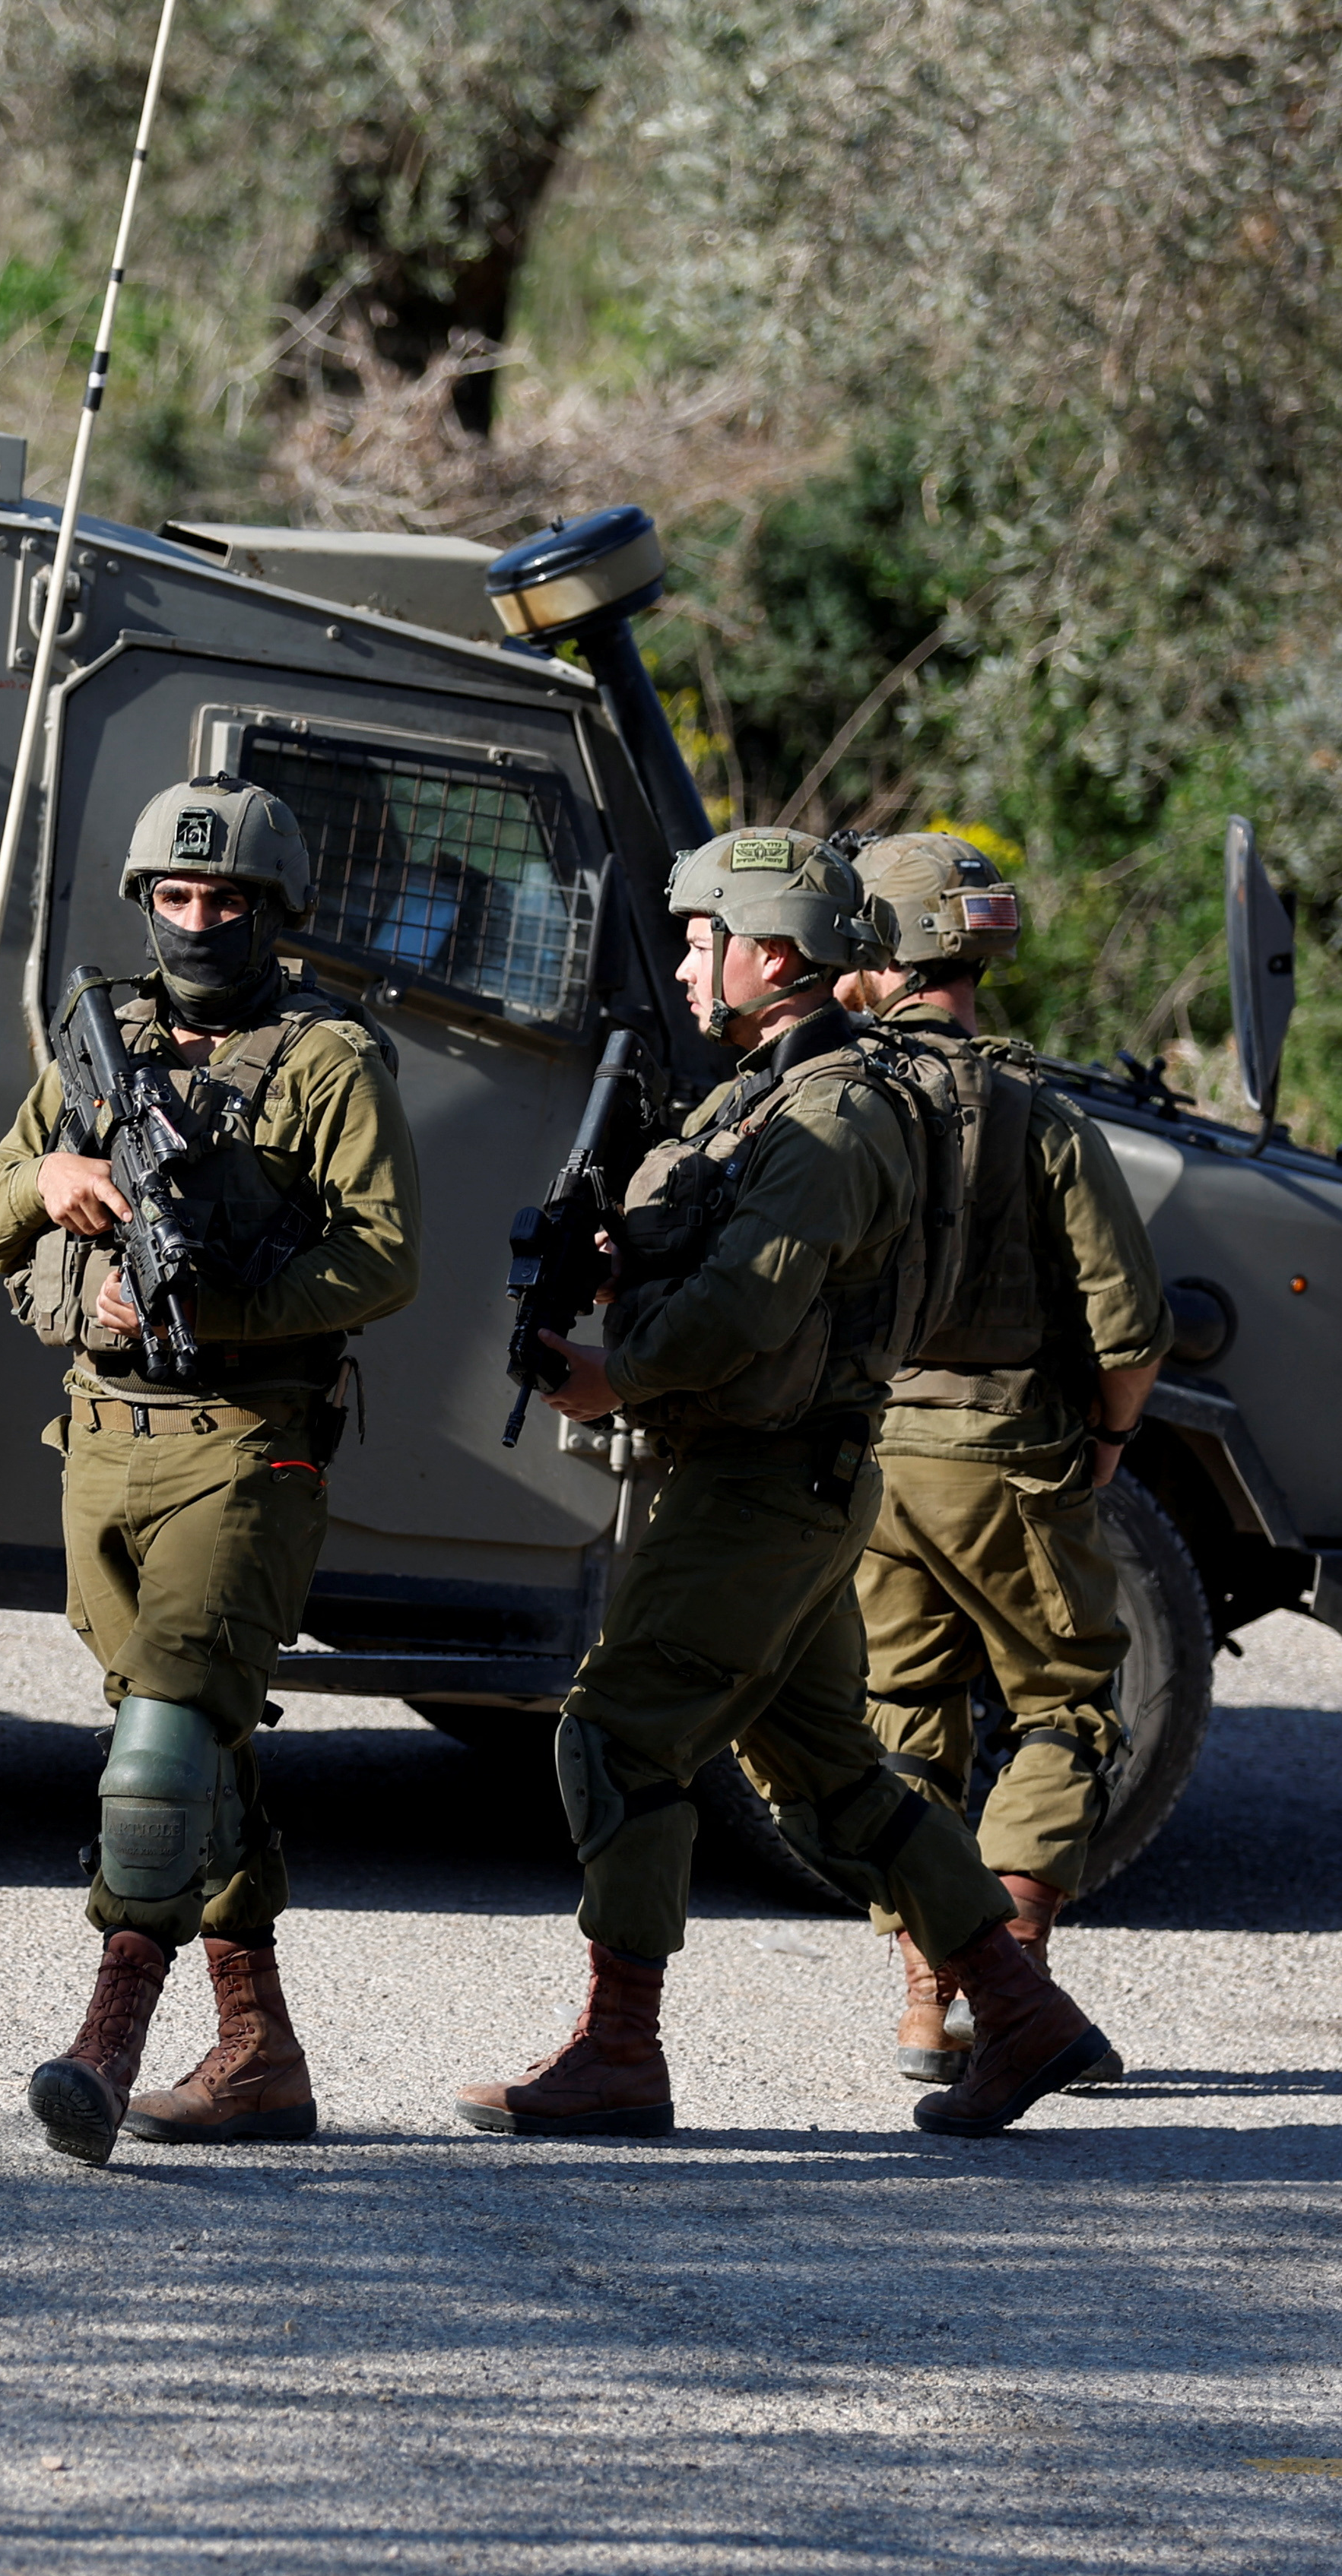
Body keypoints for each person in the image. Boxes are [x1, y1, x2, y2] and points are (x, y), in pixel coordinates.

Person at [454, 825, 1119, 2141]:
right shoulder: (771, 1088)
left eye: (709, 939)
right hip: (783, 1479)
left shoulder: (832, 1114)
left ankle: (619, 2051)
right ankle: (1021, 2009)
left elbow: (745, 1313)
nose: (694, 966)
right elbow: (705, 1254)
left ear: (774, 951)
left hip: (764, 1483)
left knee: (615, 1738)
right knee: (832, 1775)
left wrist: (614, 1373)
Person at [0, 773, 421, 2165]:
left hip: (244, 1446)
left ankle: (106, 2043)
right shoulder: (104, 1046)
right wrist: (55, 1194)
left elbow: (384, 1258)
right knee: (195, 1743)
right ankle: (259, 2055)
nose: (197, 920)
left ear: (273, 911)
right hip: (100, 1445)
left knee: (159, 1750)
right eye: (175, 895)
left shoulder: (327, 1058)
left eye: (225, 900)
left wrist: (207, 1303)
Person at [826, 835, 1169, 2083]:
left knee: (904, 1716)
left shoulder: (837, 1102)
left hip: (868, 1456)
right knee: (1068, 1702)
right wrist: (1112, 1440)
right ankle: (1010, 1986)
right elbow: (1130, 1327)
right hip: (1009, 1451)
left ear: (879, 950)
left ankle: (927, 2005)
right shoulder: (1045, 1118)